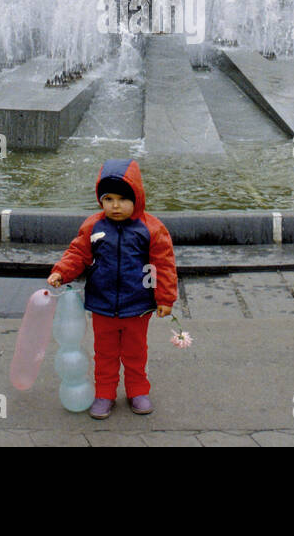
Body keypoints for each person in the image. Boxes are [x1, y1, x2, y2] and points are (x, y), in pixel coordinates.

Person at [47, 159, 177, 419]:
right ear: (101, 200)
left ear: (136, 198)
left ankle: (137, 390)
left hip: (137, 305)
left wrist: (165, 298)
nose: (115, 206)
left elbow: (163, 264)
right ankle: (104, 393)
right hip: (102, 304)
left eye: (122, 199)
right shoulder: (94, 226)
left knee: (135, 353)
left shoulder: (151, 229)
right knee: (104, 353)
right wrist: (61, 271)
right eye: (108, 199)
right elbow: (78, 253)